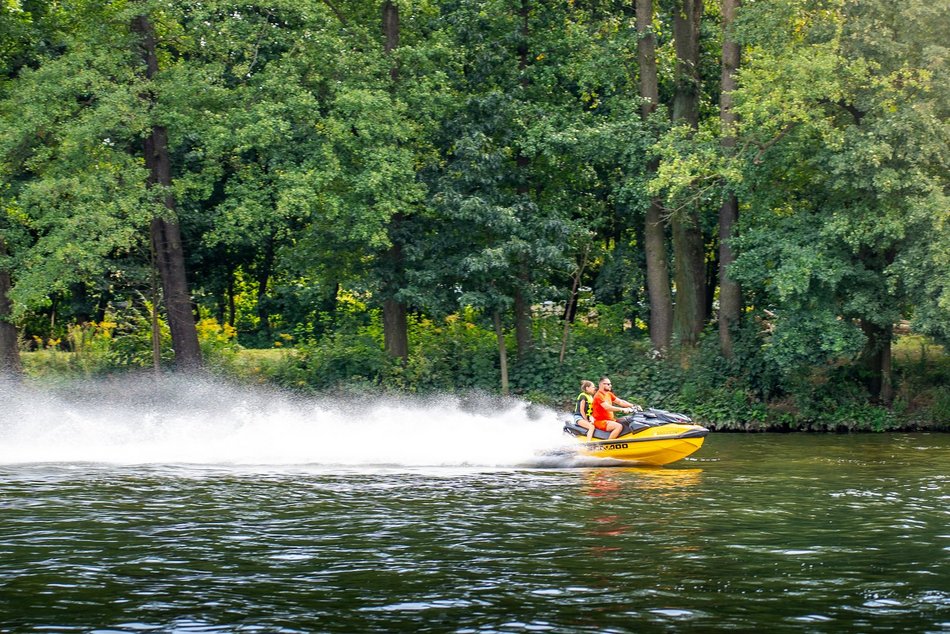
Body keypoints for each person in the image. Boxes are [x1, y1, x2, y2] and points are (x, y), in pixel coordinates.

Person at [590, 376, 640, 440]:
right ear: (601, 385)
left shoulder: (609, 394)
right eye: (608, 384)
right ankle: (608, 445)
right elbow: (607, 407)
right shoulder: (598, 396)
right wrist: (622, 409)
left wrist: (633, 406)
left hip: (611, 420)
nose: (610, 385)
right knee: (618, 426)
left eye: (610, 384)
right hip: (601, 422)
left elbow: (620, 402)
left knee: (627, 420)